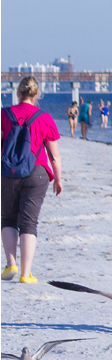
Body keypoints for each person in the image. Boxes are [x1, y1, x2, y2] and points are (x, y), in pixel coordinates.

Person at [2, 76, 64, 283]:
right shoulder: (44, 117)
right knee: (29, 222)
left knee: (8, 219)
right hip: (37, 172)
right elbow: (54, 154)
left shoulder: (4, 114)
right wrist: (58, 179)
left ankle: (10, 263)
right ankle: (25, 274)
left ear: (18, 93)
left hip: (8, 172)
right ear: (37, 95)